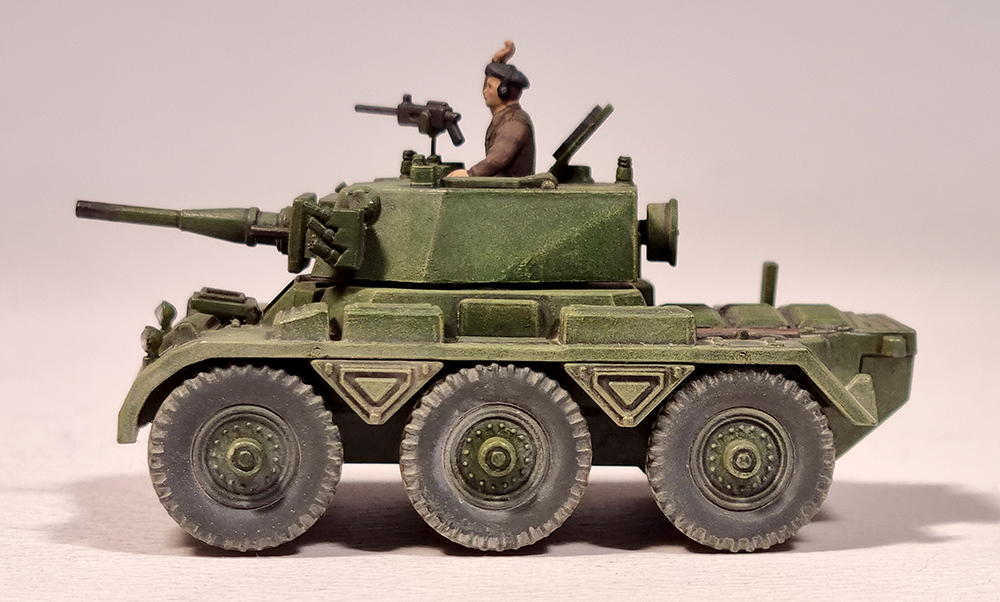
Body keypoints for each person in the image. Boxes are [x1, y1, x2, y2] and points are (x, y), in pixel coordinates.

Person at [449, 41, 535, 178]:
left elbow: (498, 158)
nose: (484, 91)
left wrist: (470, 174)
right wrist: (496, 63)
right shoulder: (506, 115)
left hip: (511, 190)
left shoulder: (514, 123)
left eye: (489, 87)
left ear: (503, 92)